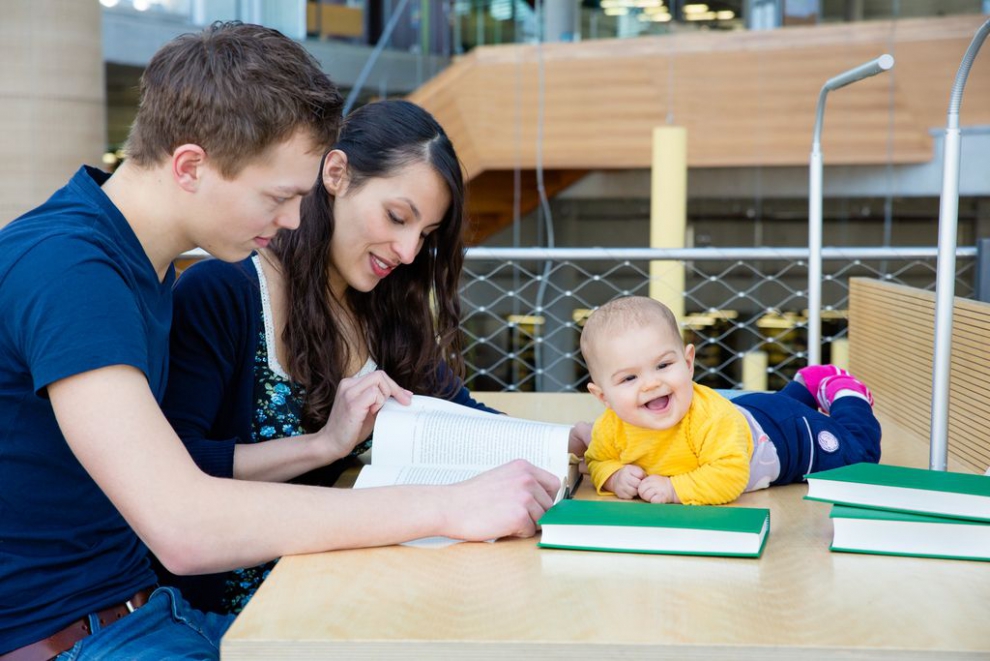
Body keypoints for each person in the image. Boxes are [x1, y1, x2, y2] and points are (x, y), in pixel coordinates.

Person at [0, 23, 559, 661]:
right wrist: (447, 506)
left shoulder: (132, 264)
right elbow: (184, 525)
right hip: (72, 638)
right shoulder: (71, 269)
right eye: (280, 196)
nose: (295, 218)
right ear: (190, 166)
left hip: (146, 612)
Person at [159, 99, 551, 613]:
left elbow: (460, 415)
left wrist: (577, 441)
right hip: (238, 618)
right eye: (397, 217)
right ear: (337, 174)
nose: (408, 252)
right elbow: (178, 471)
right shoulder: (223, 292)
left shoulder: (384, 308)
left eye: (425, 235)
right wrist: (323, 445)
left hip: (355, 585)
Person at [579, 296, 881, 505]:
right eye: (629, 378)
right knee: (781, 404)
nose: (651, 383)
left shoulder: (710, 419)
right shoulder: (610, 428)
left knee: (858, 456)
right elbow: (597, 459)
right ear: (603, 397)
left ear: (688, 363)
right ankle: (805, 386)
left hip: (787, 437)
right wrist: (614, 477)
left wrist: (674, 489)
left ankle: (845, 391)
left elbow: (731, 476)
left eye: (663, 365)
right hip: (749, 414)